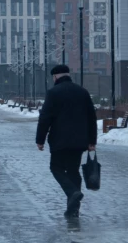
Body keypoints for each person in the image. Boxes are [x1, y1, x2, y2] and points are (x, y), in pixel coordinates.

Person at [35, 64, 98, 218]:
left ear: (56, 77)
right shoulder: (82, 92)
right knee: (73, 171)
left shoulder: (53, 92)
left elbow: (45, 118)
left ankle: (73, 192)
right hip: (79, 141)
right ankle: (73, 209)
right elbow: (92, 117)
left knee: (56, 168)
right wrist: (92, 141)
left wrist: (40, 139)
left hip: (59, 140)